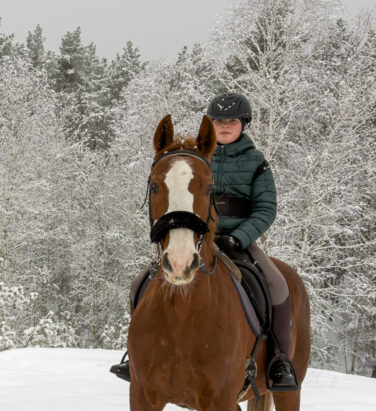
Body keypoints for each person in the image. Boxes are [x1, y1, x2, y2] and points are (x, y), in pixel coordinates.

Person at [110, 93, 298, 391]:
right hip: (194, 239)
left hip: (239, 243)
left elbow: (266, 209)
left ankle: (279, 359)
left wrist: (239, 237)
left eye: (232, 121)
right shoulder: (195, 157)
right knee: (139, 284)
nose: (225, 126)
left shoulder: (256, 163)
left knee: (278, 286)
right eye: (219, 121)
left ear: (243, 124)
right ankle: (135, 356)